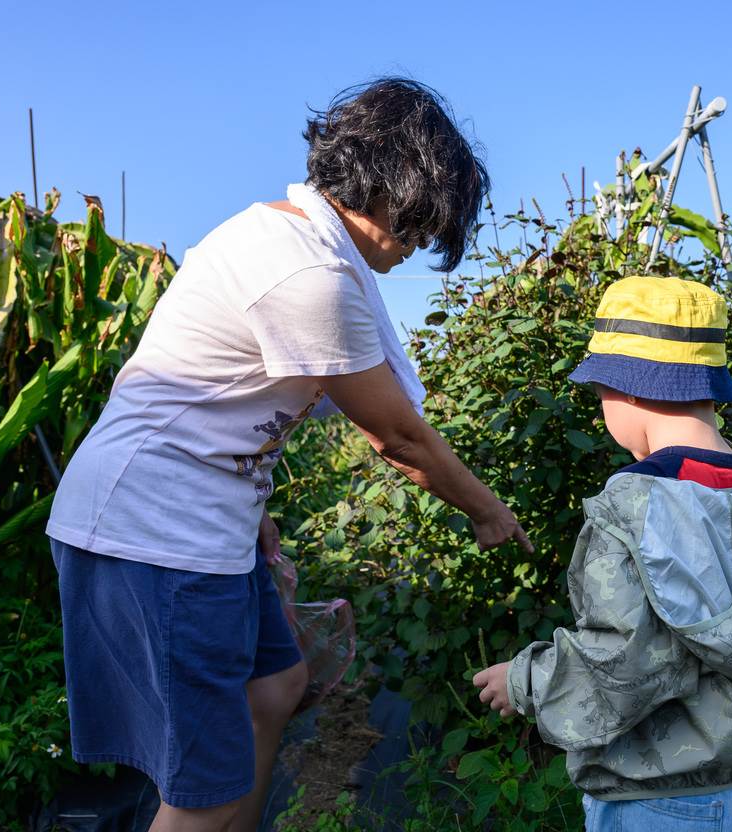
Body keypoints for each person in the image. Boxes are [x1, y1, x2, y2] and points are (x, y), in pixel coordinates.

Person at [46, 78, 532, 832]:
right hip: (155, 534)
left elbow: (222, 395)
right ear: (397, 186)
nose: (416, 250)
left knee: (276, 685)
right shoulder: (304, 270)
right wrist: (489, 512)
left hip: (210, 524)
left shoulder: (293, 241)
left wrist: (255, 507)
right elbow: (398, 437)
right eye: (420, 229)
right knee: (199, 790)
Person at [472, 276, 732, 831]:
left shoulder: (633, 505)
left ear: (630, 389)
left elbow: (627, 661)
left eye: (600, 393)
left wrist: (523, 682)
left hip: (664, 804)